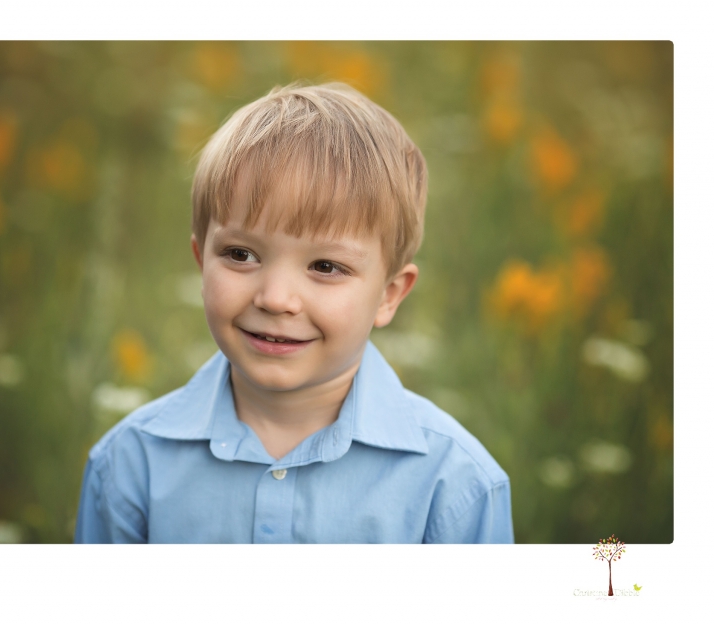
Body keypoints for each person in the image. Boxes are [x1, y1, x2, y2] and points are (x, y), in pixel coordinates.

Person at [74, 82, 513, 543]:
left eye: (326, 266)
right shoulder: (128, 466)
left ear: (389, 295)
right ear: (202, 261)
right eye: (241, 254)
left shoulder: (456, 486)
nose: (276, 298)